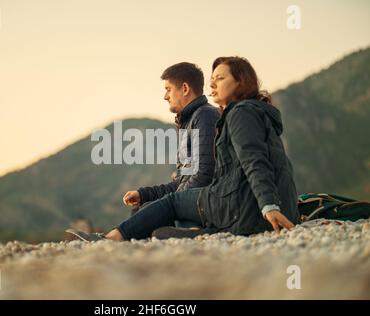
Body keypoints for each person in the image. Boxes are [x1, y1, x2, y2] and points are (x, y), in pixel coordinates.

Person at [64, 56, 299, 242]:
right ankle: (200, 232)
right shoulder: (239, 113)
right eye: (212, 78)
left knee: (170, 205)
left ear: (240, 82)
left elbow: (252, 161)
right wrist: (146, 194)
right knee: (153, 210)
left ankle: (108, 240)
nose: (212, 84)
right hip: (247, 206)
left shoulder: (235, 113)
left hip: (246, 207)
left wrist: (269, 206)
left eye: (220, 78)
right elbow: (206, 175)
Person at [122, 62, 220, 228]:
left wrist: (169, 204)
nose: (165, 96)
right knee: (141, 208)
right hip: (190, 199)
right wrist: (144, 194)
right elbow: (181, 181)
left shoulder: (205, 115)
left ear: (185, 88)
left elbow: (204, 175)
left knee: (150, 211)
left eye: (168, 89)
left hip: (206, 204)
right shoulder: (189, 121)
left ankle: (108, 239)